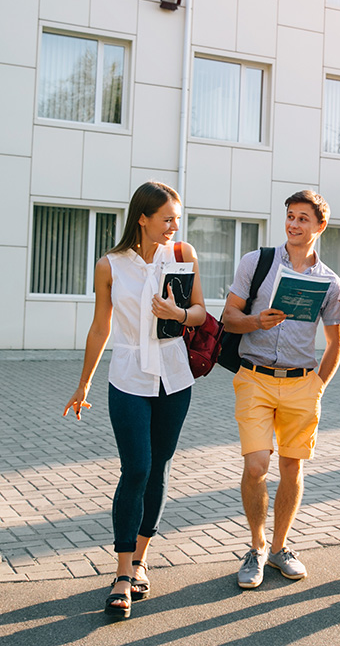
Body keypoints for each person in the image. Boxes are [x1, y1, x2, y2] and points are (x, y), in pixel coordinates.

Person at [63, 181, 206, 619]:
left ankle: (141, 560)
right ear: (142, 218)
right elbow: (100, 327)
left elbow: (201, 312)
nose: (174, 226)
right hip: (127, 376)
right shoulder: (109, 265)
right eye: (167, 218)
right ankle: (122, 572)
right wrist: (84, 383)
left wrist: (178, 314)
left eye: (177, 218)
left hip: (174, 376)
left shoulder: (183, 255)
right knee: (137, 468)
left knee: (159, 467)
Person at [222, 190, 340, 589]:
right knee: (256, 466)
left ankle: (279, 548)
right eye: (290, 216)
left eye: (302, 218)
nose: (293, 224)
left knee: (292, 468)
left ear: (320, 226)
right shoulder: (256, 262)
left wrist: (318, 386)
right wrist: (256, 322)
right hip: (254, 377)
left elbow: (337, 342)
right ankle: (256, 547)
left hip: (301, 384)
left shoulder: (330, 282)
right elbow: (228, 318)